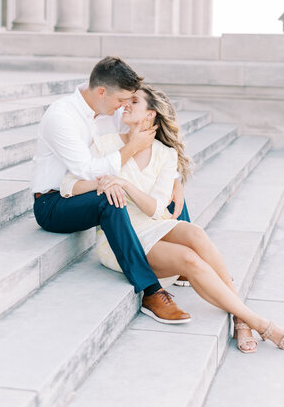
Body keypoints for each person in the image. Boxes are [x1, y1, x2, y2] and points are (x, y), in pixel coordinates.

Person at [59, 83, 284, 352]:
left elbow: (156, 209)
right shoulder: (106, 144)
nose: (126, 105)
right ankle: (259, 324)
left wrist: (124, 184)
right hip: (121, 237)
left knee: (194, 232)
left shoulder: (166, 154)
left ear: (151, 114)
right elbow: (68, 187)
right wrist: (101, 184)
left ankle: (240, 317)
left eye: (135, 102)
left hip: (153, 224)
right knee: (188, 259)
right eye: (127, 100)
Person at [31, 56, 190, 324]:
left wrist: (175, 179)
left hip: (92, 189)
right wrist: (131, 149)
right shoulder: (62, 116)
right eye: (121, 101)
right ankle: (151, 290)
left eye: (129, 102)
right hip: (55, 202)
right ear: (102, 92)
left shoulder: (110, 108)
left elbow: (145, 133)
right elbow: (86, 170)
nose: (123, 107)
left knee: (168, 197)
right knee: (111, 197)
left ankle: (185, 262)